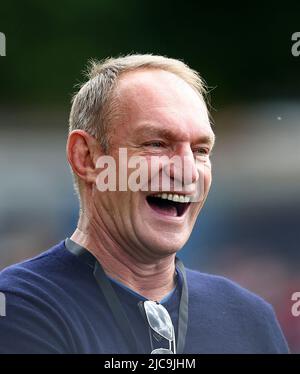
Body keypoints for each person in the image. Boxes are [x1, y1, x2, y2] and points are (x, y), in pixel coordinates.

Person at [0, 54, 289, 353]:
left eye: (201, 150)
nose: (187, 170)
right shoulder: (20, 307)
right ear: (86, 158)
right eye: (156, 144)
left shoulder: (249, 318)